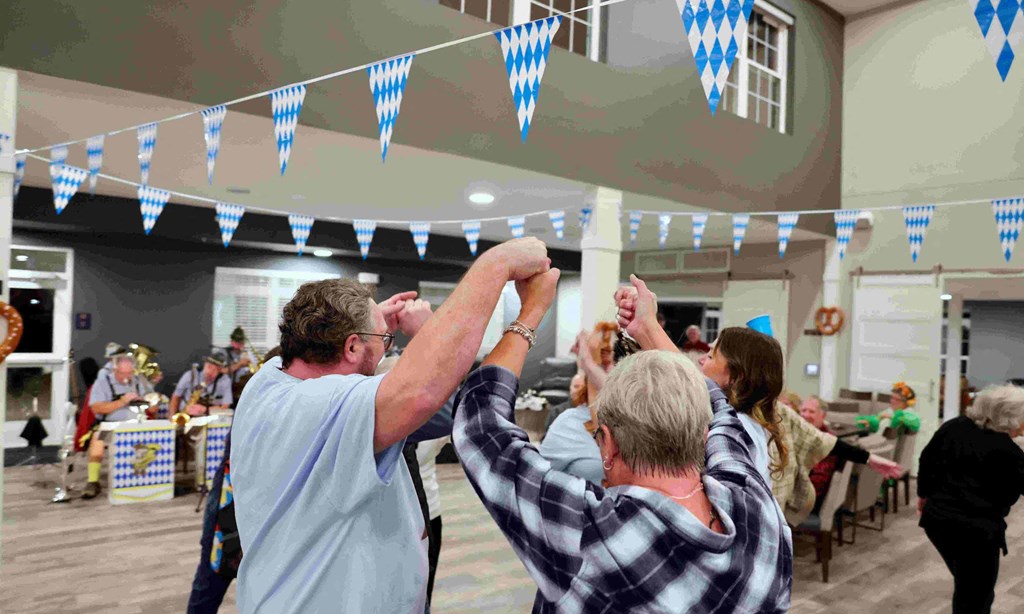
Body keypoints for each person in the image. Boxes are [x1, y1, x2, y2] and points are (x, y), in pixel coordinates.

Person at [230, 238, 551, 613]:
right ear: (351, 347)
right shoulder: (328, 406)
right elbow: (428, 392)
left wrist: (369, 323)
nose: (387, 345)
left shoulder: (267, 380)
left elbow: (335, 351)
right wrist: (498, 263)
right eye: (384, 339)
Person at [454, 268, 793, 611]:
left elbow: (480, 428)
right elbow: (716, 404)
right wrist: (647, 328)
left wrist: (529, 314)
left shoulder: (595, 534)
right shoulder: (759, 509)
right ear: (704, 435)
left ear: (608, 444)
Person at [616, 275, 903, 524]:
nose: (701, 358)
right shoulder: (755, 415)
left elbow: (688, 380)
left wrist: (647, 326)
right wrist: (643, 329)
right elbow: (683, 375)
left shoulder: (737, 426)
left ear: (737, 379)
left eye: (713, 355)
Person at [918, 384, 1024, 614]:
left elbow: (927, 460)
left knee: (968, 583)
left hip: (936, 522)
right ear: (1010, 417)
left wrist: (923, 494)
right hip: (976, 533)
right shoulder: (1007, 451)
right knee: (976, 597)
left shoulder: (955, 426)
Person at [82, 354, 148, 499]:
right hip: (109, 425)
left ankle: (146, 479)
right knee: (97, 444)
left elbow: (147, 404)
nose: (126, 377)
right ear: (114, 370)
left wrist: (145, 402)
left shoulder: (137, 382)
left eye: (129, 373)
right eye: (122, 373)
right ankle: (93, 481)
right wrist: (122, 401)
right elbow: (96, 408)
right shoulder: (102, 383)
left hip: (135, 425)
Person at [169, 351, 233, 417]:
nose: (209, 372)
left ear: (220, 371)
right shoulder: (190, 375)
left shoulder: (225, 380)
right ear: (205, 364)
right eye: (209, 367)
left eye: (215, 370)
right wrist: (172, 418)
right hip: (185, 415)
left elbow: (225, 406)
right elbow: (175, 397)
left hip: (209, 416)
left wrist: (205, 410)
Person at [225, 327, 257, 403]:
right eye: (237, 342)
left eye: (241, 343)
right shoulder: (226, 354)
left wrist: (250, 364)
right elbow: (223, 371)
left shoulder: (247, 353)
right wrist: (240, 364)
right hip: (231, 389)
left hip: (246, 388)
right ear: (232, 341)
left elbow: (256, 370)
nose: (239, 345)